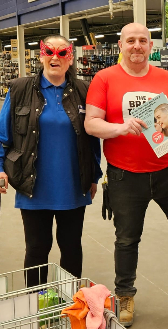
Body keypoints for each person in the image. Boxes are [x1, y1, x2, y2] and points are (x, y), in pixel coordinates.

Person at [84, 23, 168, 327]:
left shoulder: (167, 78)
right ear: (121, 45)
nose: (137, 46)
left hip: (167, 169)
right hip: (124, 175)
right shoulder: (104, 79)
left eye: (143, 41)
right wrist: (120, 128)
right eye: (131, 41)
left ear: (150, 46)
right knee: (127, 239)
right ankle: (125, 294)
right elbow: (92, 123)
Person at [0, 35, 102, 287]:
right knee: (37, 248)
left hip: (72, 185)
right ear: (41, 55)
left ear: (70, 58)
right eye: (49, 52)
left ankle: (68, 303)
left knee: (70, 247)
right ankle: (37, 303)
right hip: (32, 185)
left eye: (62, 53)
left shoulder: (83, 90)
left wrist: (93, 175)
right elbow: (3, 135)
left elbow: (92, 139)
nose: (55, 57)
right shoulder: (20, 89)